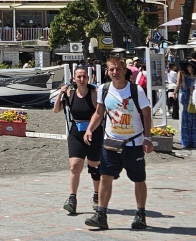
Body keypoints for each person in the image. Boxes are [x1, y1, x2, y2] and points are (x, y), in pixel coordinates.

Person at [84, 53, 154, 231]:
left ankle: (140, 214)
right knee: (105, 177)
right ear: (107, 71)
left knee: (139, 179)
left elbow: (146, 113)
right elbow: (99, 113)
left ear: (124, 70)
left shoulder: (135, 90)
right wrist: (90, 129)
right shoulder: (104, 89)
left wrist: (147, 138)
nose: (115, 72)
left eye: (118, 69)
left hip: (134, 143)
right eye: (112, 69)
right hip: (111, 142)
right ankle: (101, 214)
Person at [53, 65, 101, 216]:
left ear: (88, 79)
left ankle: (96, 195)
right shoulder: (70, 94)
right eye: (79, 77)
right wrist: (60, 94)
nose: (82, 79)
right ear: (74, 79)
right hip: (76, 133)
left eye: (84, 76)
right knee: (75, 166)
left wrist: (90, 130)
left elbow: (100, 113)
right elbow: (56, 109)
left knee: (94, 167)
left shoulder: (94, 93)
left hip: (94, 132)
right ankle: (72, 198)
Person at [178, 60, 196, 151]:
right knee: (186, 121)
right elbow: (183, 88)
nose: (188, 68)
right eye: (187, 67)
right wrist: (183, 78)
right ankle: (186, 141)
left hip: (195, 101)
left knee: (195, 122)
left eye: (190, 67)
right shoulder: (186, 77)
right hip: (188, 101)